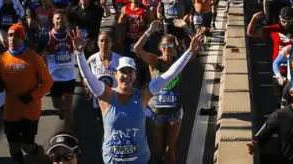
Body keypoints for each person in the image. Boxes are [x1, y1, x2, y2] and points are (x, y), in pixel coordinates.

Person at [75, 28, 203, 164]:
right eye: (122, 72)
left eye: (130, 72)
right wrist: (79, 53)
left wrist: (189, 51)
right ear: (115, 74)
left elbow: (170, 74)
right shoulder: (105, 95)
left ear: (135, 75)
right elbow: (88, 77)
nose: (126, 76)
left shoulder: (143, 95)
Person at [0, 23, 54, 164]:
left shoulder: (33, 58)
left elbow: (48, 82)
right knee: (13, 148)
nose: (12, 39)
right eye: (10, 36)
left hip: (29, 110)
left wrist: (32, 96)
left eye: (16, 36)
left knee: (27, 146)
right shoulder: (2, 59)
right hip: (10, 111)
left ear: (23, 38)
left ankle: (43, 157)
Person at [133, 20, 186, 164]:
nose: (167, 48)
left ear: (174, 47)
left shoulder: (179, 63)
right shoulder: (154, 61)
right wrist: (149, 31)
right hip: (155, 112)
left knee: (170, 150)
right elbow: (137, 49)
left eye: (170, 45)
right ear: (160, 47)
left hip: (174, 112)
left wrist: (186, 28)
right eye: (165, 45)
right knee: (158, 150)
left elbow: (195, 48)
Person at [38, 9, 77, 132]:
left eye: (62, 18)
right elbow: (37, 55)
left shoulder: (71, 35)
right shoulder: (47, 37)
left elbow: (79, 49)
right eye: (57, 18)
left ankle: (68, 133)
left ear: (66, 21)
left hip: (69, 76)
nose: (60, 20)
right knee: (57, 103)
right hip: (54, 77)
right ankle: (61, 110)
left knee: (69, 105)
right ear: (53, 21)